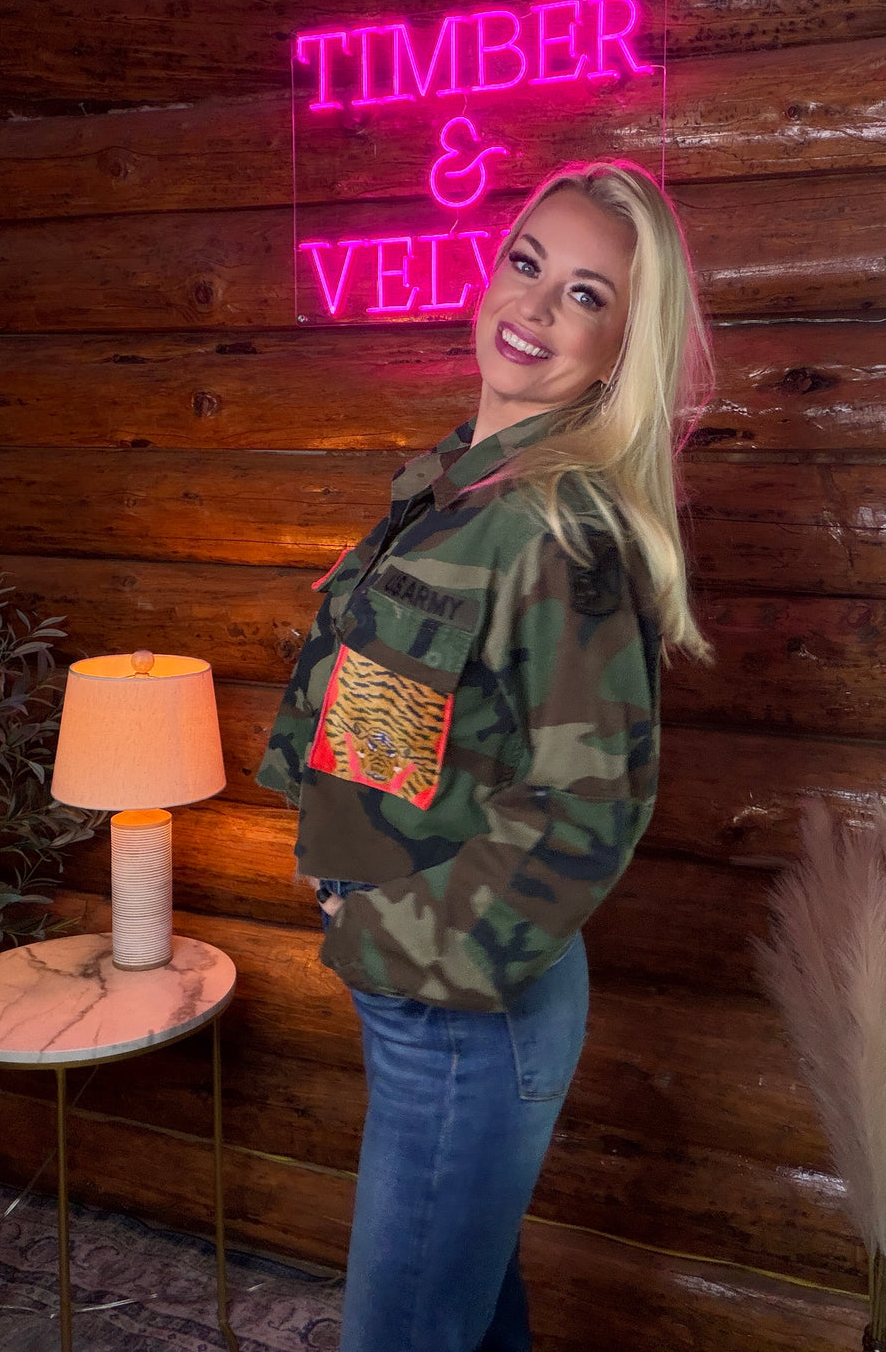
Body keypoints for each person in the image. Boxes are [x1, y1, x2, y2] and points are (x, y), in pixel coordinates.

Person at [257, 160, 713, 1352]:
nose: (537, 307)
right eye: (528, 264)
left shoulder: (561, 526)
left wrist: (376, 931)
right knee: (463, 1316)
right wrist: (341, 863)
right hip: (419, 971)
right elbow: (403, 714)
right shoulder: (460, 484)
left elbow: (588, 809)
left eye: (586, 295)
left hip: (463, 1001)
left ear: (619, 350)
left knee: (403, 1329)